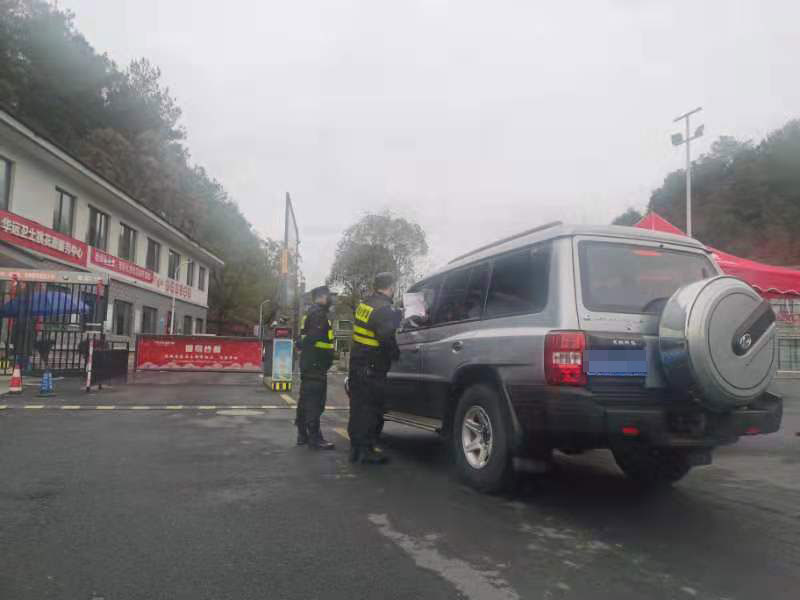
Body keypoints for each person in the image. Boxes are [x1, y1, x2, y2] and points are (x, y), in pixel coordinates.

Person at [348, 272, 402, 465]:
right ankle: (366, 451)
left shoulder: (365, 305)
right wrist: (396, 353)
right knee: (371, 409)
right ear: (391, 287)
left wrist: (396, 314)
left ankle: (356, 448)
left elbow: (374, 325)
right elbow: (386, 337)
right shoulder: (384, 309)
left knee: (357, 408)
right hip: (372, 367)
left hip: (358, 364)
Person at [296, 285, 336, 450]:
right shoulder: (319, 315)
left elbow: (303, 340)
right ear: (321, 297)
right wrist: (325, 358)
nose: (330, 299)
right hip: (316, 365)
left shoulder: (310, 313)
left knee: (305, 400)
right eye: (328, 296)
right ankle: (314, 437)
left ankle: (302, 435)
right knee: (315, 402)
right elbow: (312, 340)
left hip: (310, 364)